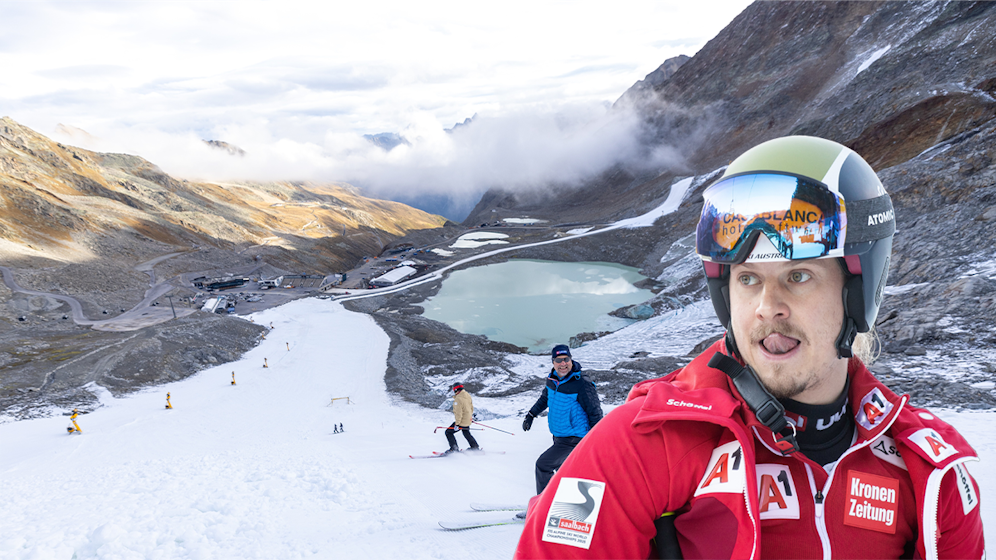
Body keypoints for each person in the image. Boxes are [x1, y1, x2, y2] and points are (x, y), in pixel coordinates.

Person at [515, 136, 984, 559]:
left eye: (798, 277)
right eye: (747, 279)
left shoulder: (927, 470)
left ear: (857, 292)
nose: (767, 307)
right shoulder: (642, 445)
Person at [522, 345, 603, 496]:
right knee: (564, 473)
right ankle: (560, 505)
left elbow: (595, 412)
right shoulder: (552, 379)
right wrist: (531, 414)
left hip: (575, 439)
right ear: (553, 362)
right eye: (558, 360)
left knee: (543, 465)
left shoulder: (581, 383)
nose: (563, 363)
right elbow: (545, 398)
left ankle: (542, 508)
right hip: (559, 436)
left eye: (566, 359)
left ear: (571, 360)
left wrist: (595, 440)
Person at [444, 383, 480, 454]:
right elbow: (471, 408)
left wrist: (457, 424)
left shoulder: (458, 399)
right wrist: (470, 417)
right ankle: (474, 446)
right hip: (467, 419)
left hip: (461, 421)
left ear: (456, 389)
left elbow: (458, 413)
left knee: (448, 432)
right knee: (466, 432)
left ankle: (454, 449)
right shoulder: (467, 395)